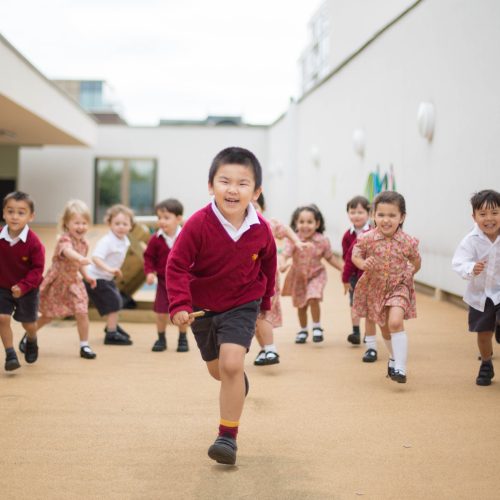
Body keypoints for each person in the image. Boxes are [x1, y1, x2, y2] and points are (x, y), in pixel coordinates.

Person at [166, 146, 276, 465]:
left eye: (243, 183)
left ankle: (227, 436)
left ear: (256, 192)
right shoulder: (198, 224)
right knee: (219, 371)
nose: (232, 189)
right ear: (210, 185)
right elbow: (176, 265)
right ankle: (236, 383)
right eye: (224, 181)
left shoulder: (262, 229)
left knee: (231, 364)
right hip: (203, 307)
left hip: (243, 302)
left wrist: (264, 303)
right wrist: (179, 304)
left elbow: (268, 266)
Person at [352, 191, 421, 383]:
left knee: (395, 323)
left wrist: (410, 272)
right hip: (376, 288)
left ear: (402, 217)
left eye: (392, 215)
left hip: (399, 286)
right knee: (384, 328)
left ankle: (400, 367)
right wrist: (362, 264)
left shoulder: (407, 241)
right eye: (381, 215)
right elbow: (356, 255)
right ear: (373, 215)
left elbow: (416, 261)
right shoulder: (367, 238)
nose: (386, 220)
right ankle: (393, 357)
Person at [21, 200, 98, 360]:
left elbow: (79, 264)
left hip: (73, 282)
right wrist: (80, 258)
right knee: (47, 316)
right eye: (76, 223)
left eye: (84, 223)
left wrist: (87, 276)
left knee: (82, 311)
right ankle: (29, 335)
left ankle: (84, 345)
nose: (81, 227)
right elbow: (69, 252)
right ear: (66, 224)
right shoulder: (64, 239)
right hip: (57, 282)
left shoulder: (84, 243)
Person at [252, 193, 307, 366]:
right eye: (248, 208)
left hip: (268, 278)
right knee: (252, 319)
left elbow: (285, 229)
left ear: (263, 208)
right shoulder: (239, 228)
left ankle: (270, 349)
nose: (252, 211)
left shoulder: (269, 224)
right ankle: (264, 349)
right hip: (247, 280)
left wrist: (297, 242)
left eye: (256, 207)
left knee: (263, 312)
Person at [452, 189, 500, 386]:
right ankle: (486, 363)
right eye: (483, 214)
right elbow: (458, 263)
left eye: (495, 213)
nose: (489, 219)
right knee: (483, 333)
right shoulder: (470, 240)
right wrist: (472, 267)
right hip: (480, 295)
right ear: (474, 217)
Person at [281, 204, 343, 344]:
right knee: (301, 305)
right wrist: (283, 263)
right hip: (298, 277)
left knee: (313, 297)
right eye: (301, 222)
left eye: (310, 222)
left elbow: (330, 257)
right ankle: (303, 330)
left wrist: (343, 269)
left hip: (316, 275)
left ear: (317, 224)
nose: (305, 226)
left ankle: (317, 327)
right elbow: (285, 254)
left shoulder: (322, 240)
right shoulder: (293, 240)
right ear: (296, 223)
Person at [0, 191, 45, 371]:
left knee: (28, 324)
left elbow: (38, 269)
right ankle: (10, 354)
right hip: (2, 287)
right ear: (3, 213)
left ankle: (32, 339)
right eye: (10, 211)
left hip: (28, 289)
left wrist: (23, 286)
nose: (14, 216)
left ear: (31, 216)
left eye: (21, 212)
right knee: (2, 318)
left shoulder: (34, 242)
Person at [144, 198, 189, 353]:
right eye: (159, 218)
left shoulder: (185, 237)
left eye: (166, 217)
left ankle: (183, 338)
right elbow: (148, 257)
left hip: (183, 281)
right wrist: (149, 272)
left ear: (178, 219)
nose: (162, 221)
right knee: (161, 311)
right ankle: (161, 338)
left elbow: (194, 256)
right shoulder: (156, 239)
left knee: (183, 311)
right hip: (164, 281)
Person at [85, 204, 134, 345]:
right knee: (114, 303)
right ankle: (111, 333)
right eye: (117, 223)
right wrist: (110, 269)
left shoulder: (125, 240)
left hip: (106, 277)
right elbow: (95, 258)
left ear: (131, 226)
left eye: (125, 224)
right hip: (96, 277)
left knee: (117, 300)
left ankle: (112, 326)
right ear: (109, 224)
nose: (121, 227)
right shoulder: (107, 241)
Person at [341, 195, 371, 347]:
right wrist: (345, 278)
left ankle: (368, 333)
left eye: (360, 212)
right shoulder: (347, 235)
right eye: (352, 212)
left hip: (370, 276)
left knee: (369, 305)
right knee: (354, 304)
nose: (356, 215)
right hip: (354, 277)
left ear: (368, 214)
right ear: (348, 214)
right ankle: (355, 331)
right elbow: (346, 258)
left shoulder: (373, 232)